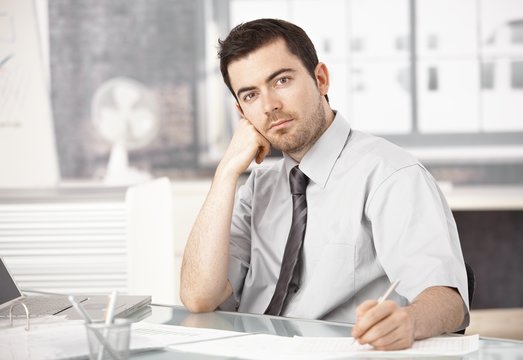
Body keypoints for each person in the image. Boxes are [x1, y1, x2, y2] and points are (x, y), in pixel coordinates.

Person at [180, 18, 469, 350]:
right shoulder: (258, 187)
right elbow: (199, 297)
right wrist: (226, 172)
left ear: (321, 79)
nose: (270, 105)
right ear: (241, 111)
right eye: (250, 95)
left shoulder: (391, 174)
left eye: (282, 80)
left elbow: (448, 300)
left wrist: (409, 321)